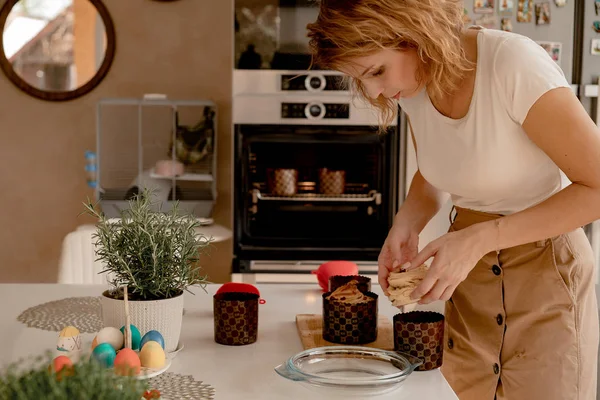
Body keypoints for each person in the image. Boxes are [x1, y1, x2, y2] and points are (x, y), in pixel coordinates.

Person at [307, 1, 600, 399]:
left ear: (415, 32)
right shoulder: (412, 85)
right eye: (362, 78)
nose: (375, 90)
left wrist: (479, 238)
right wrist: (406, 223)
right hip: (470, 282)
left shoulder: (511, 65)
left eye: (377, 71)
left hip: (546, 276)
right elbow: (436, 170)